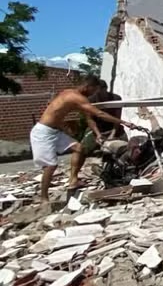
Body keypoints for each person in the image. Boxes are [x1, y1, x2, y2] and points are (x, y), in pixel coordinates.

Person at [30, 74, 138, 203]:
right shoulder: (77, 97)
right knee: (50, 166)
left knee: (79, 148)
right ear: (88, 86)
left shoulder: (68, 92)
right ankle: (44, 198)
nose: (94, 93)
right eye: (94, 90)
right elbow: (98, 113)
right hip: (43, 132)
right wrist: (124, 122)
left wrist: (62, 125)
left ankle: (73, 180)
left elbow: (54, 106)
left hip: (54, 131)